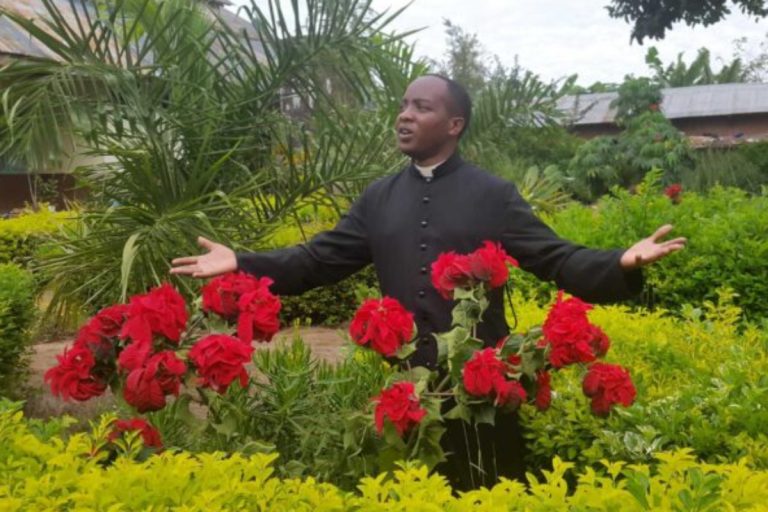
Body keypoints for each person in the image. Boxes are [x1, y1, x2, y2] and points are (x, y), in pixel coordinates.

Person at [171, 74, 686, 487]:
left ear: (454, 123)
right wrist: (243, 261)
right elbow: (317, 260)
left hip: (484, 384)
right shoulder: (379, 198)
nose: (405, 115)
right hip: (406, 389)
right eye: (403, 105)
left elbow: (554, 257)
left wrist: (620, 262)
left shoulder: (492, 194)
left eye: (422, 107)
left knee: (493, 486)